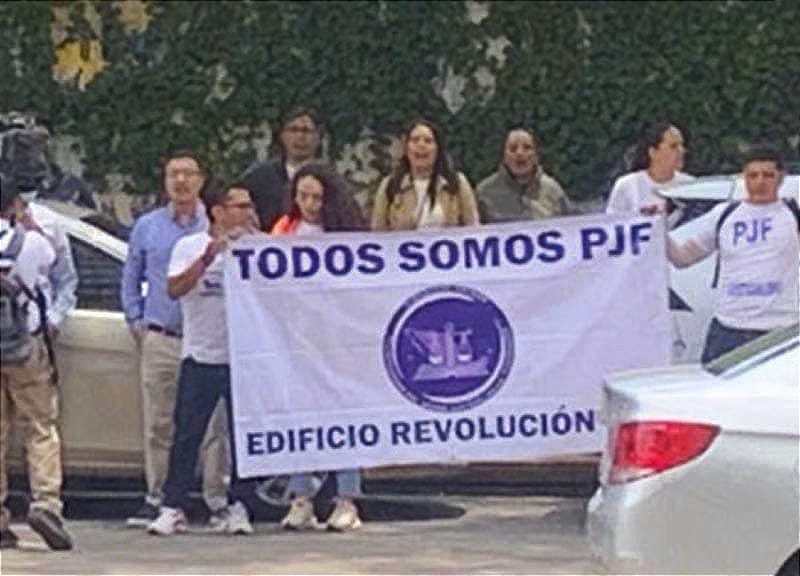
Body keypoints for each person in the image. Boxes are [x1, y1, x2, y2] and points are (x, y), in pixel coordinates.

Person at [120, 151, 230, 527]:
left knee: (214, 426)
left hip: (210, 340)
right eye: (173, 175)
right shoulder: (148, 227)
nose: (181, 181)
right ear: (165, 182)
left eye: (188, 174)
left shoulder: (217, 224)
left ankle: (218, 499)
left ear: (201, 180)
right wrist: (136, 319)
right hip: (163, 336)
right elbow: (131, 276)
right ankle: (160, 498)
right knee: (160, 422)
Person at [148, 182, 259, 536]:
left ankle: (238, 504)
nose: (246, 212)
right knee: (188, 435)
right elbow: (174, 288)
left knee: (242, 437)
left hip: (242, 358)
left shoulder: (260, 247)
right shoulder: (189, 246)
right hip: (200, 355)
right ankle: (173, 505)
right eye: (238, 206)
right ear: (218, 212)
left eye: (248, 205)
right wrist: (210, 256)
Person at [271, 164, 365, 531]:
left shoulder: (345, 235)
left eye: (316, 198)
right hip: (297, 339)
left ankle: (346, 500)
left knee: (343, 418)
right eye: (303, 196)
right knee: (300, 420)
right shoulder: (284, 231)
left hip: (337, 339)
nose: (309, 204)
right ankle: (300, 499)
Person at [668, 144, 799, 363]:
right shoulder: (725, 215)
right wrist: (656, 229)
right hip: (729, 329)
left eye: (768, 175)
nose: (760, 182)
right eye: (753, 175)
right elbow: (683, 258)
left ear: (780, 178)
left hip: (780, 330)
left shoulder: (793, 214)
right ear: (743, 178)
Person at [0, 174, 73, 551]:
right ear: (15, 205)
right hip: (25, 347)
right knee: (40, 427)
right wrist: (27, 226)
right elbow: (52, 267)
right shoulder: (30, 242)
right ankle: (46, 503)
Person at [371, 118, 479, 230]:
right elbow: (378, 233)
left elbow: (473, 229)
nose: (421, 145)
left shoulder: (457, 184)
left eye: (428, 141)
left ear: (438, 149)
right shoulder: (390, 185)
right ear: (406, 148)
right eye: (415, 140)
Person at [241, 107, 326, 231]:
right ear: (282, 136)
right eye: (293, 130)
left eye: (306, 131)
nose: (299, 136)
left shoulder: (330, 180)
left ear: (318, 137)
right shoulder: (259, 178)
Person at [476, 127, 572, 222]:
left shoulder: (553, 189)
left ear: (536, 155)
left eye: (527, 147)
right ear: (504, 156)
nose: (520, 153)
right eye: (513, 149)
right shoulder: (484, 192)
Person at [606, 121, 694, 216]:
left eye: (682, 145)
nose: (682, 151)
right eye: (673, 146)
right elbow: (613, 222)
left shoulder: (691, 186)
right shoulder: (627, 185)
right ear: (653, 152)